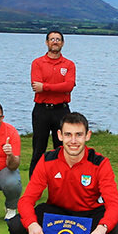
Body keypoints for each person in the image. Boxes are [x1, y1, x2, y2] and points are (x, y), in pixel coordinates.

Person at [9, 112, 118, 234]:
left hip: (90, 213)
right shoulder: (47, 160)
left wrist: (101, 229)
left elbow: (115, 206)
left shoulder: (100, 163)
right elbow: (26, 200)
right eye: (68, 134)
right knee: (17, 224)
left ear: (87, 136)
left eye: (78, 135)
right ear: (59, 136)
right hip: (57, 212)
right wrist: (32, 224)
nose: (73, 141)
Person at [29, 29, 75, 175]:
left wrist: (46, 87)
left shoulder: (69, 64)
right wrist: (57, 88)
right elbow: (36, 87)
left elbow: (68, 86)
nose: (55, 41)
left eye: (58, 39)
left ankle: (62, 185)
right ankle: (34, 188)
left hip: (61, 111)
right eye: (52, 39)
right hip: (42, 110)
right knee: (38, 149)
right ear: (47, 42)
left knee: (62, 149)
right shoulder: (37, 63)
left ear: (63, 43)